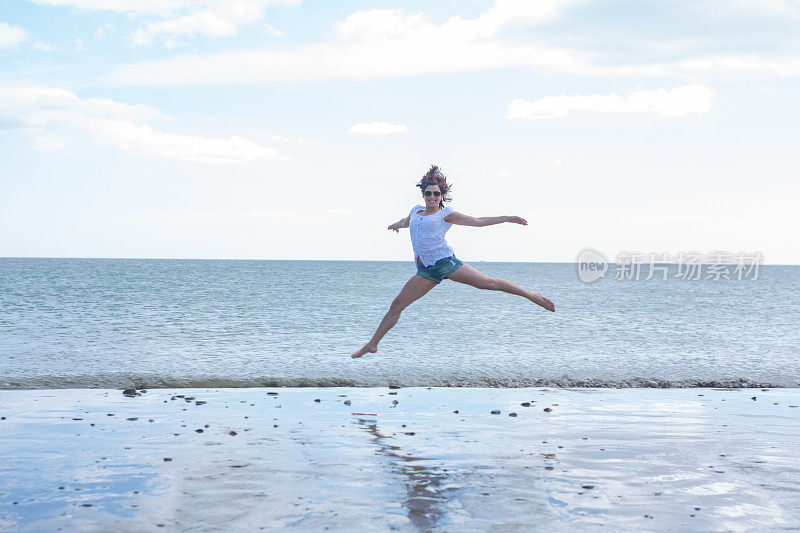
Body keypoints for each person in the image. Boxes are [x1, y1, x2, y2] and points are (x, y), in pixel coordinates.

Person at [351, 165, 555, 359]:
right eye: (428, 193)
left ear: (441, 196)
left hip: (446, 263)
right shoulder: (415, 211)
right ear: (423, 195)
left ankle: (532, 296)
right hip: (425, 271)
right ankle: (373, 344)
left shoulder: (445, 214)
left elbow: (478, 221)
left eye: (436, 194)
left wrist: (507, 217)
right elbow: (406, 222)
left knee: (488, 284)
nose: (432, 197)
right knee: (397, 305)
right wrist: (395, 225)